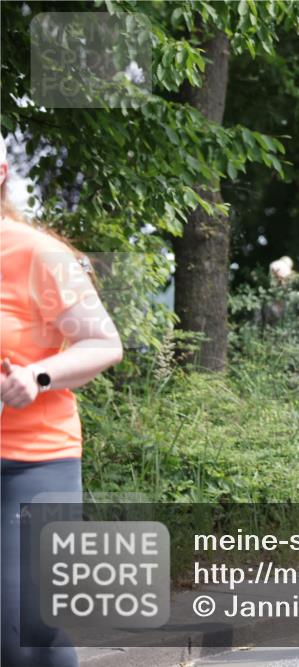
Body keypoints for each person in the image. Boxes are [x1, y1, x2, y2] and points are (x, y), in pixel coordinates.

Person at [1, 138, 124, 666]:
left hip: (32, 462)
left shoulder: (38, 254)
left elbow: (103, 343)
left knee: (23, 631)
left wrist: (37, 375)